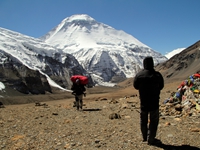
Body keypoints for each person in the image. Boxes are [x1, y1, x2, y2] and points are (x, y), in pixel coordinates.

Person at [133, 56, 164, 145]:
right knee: (154, 121)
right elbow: (161, 86)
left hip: (144, 102)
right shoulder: (158, 75)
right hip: (154, 102)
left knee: (143, 120)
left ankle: (144, 137)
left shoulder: (139, 75)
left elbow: (136, 86)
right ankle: (151, 138)